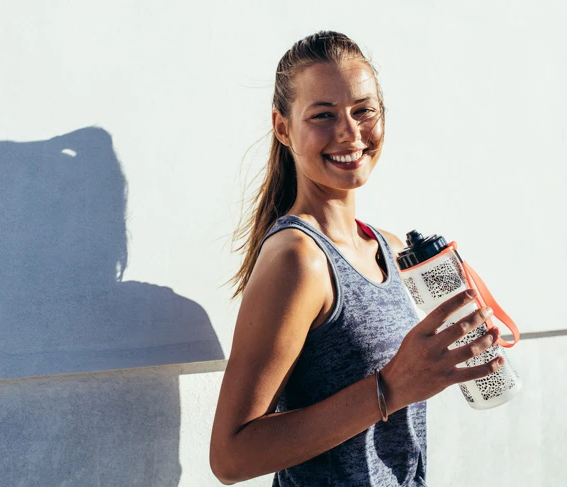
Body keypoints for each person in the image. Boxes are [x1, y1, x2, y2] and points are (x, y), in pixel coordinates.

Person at [210, 31, 504, 486]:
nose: (350, 133)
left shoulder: (388, 247)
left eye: (363, 110)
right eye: (324, 115)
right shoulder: (299, 259)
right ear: (283, 127)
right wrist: (391, 387)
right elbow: (231, 457)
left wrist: (471, 337)